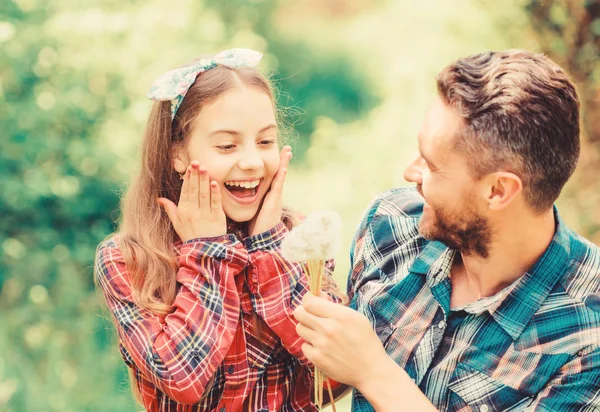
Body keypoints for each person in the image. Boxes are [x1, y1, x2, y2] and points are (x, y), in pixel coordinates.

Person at [293, 49, 600, 411]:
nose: (410, 172)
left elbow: (363, 369)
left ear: (498, 190)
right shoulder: (390, 223)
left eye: (432, 165)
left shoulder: (586, 337)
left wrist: (375, 373)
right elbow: (331, 377)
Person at [94, 48, 343, 411]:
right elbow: (182, 377)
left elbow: (337, 376)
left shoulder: (301, 240)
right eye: (227, 145)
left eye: (265, 141)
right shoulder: (127, 259)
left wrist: (269, 248)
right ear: (177, 153)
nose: (252, 162)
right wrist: (208, 252)